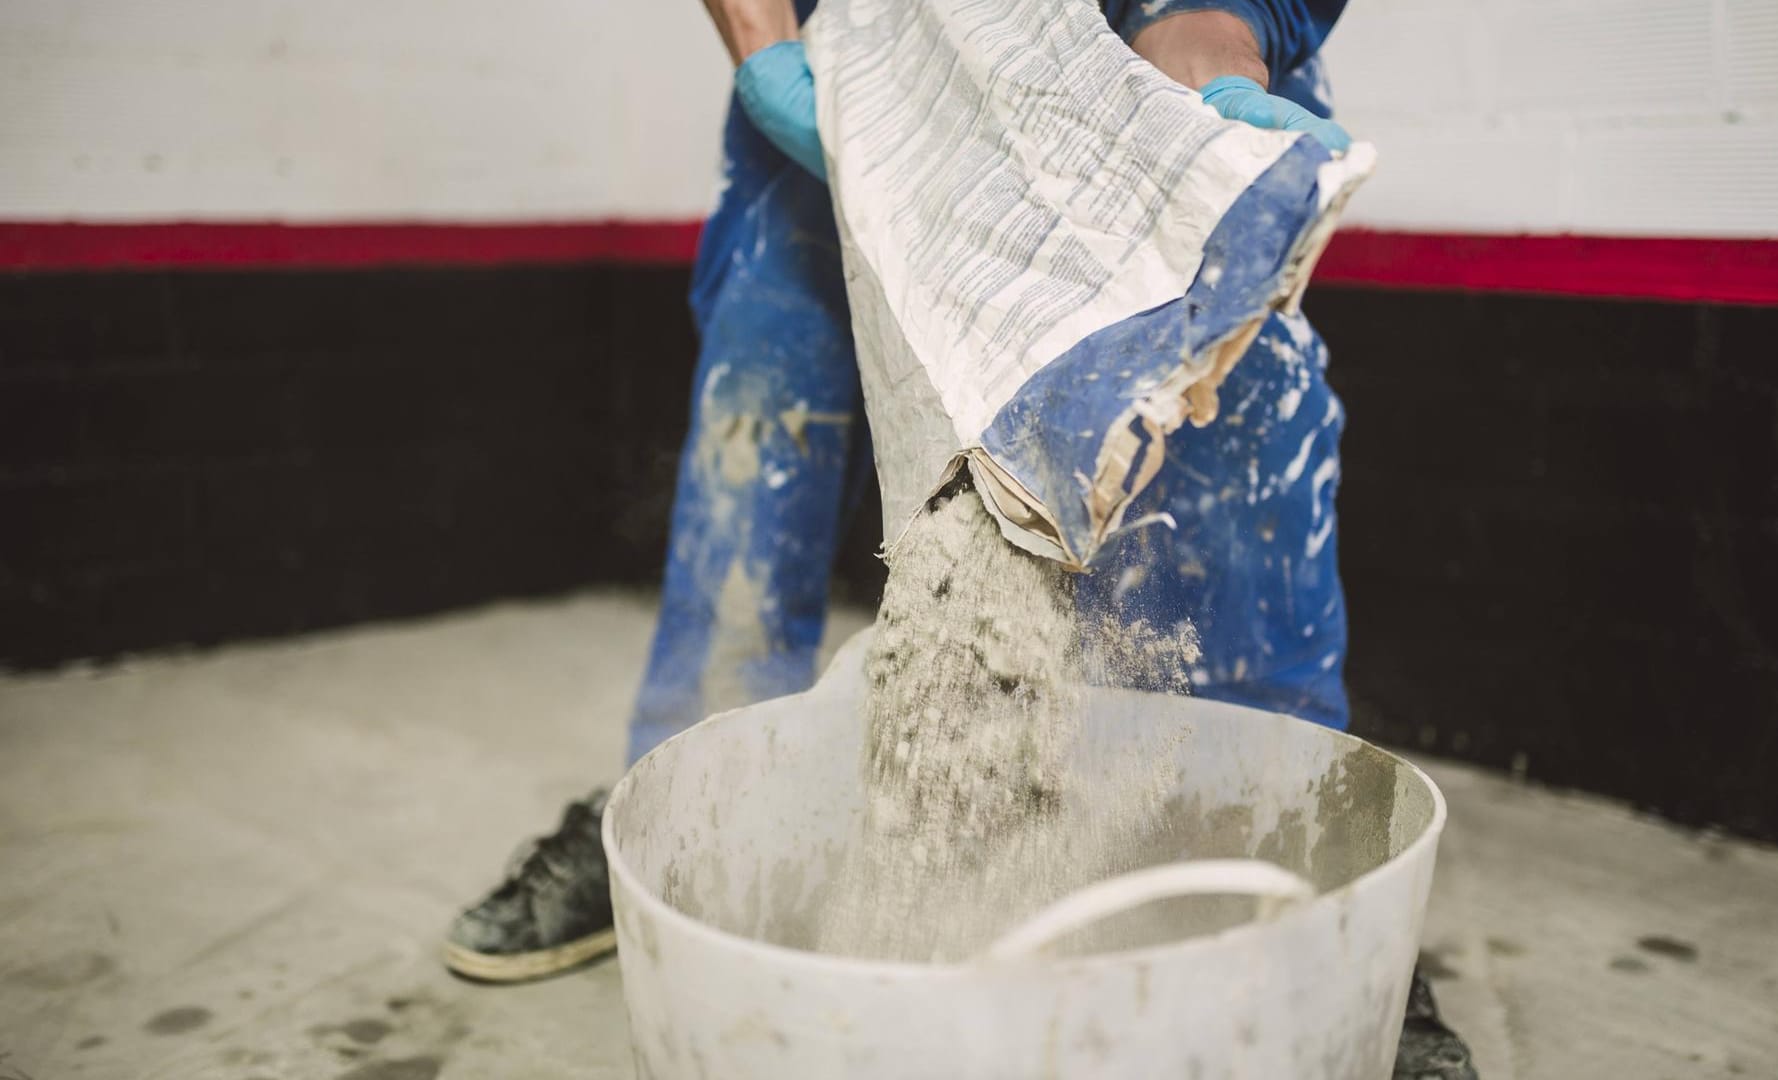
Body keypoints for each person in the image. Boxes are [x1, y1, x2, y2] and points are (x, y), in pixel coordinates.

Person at [442, 1, 1475, 1073]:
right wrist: (764, 48)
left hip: (1132, 56)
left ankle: (1320, 895)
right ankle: (686, 826)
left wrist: (1221, 21)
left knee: (1240, 414)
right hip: (865, 46)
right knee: (768, 387)